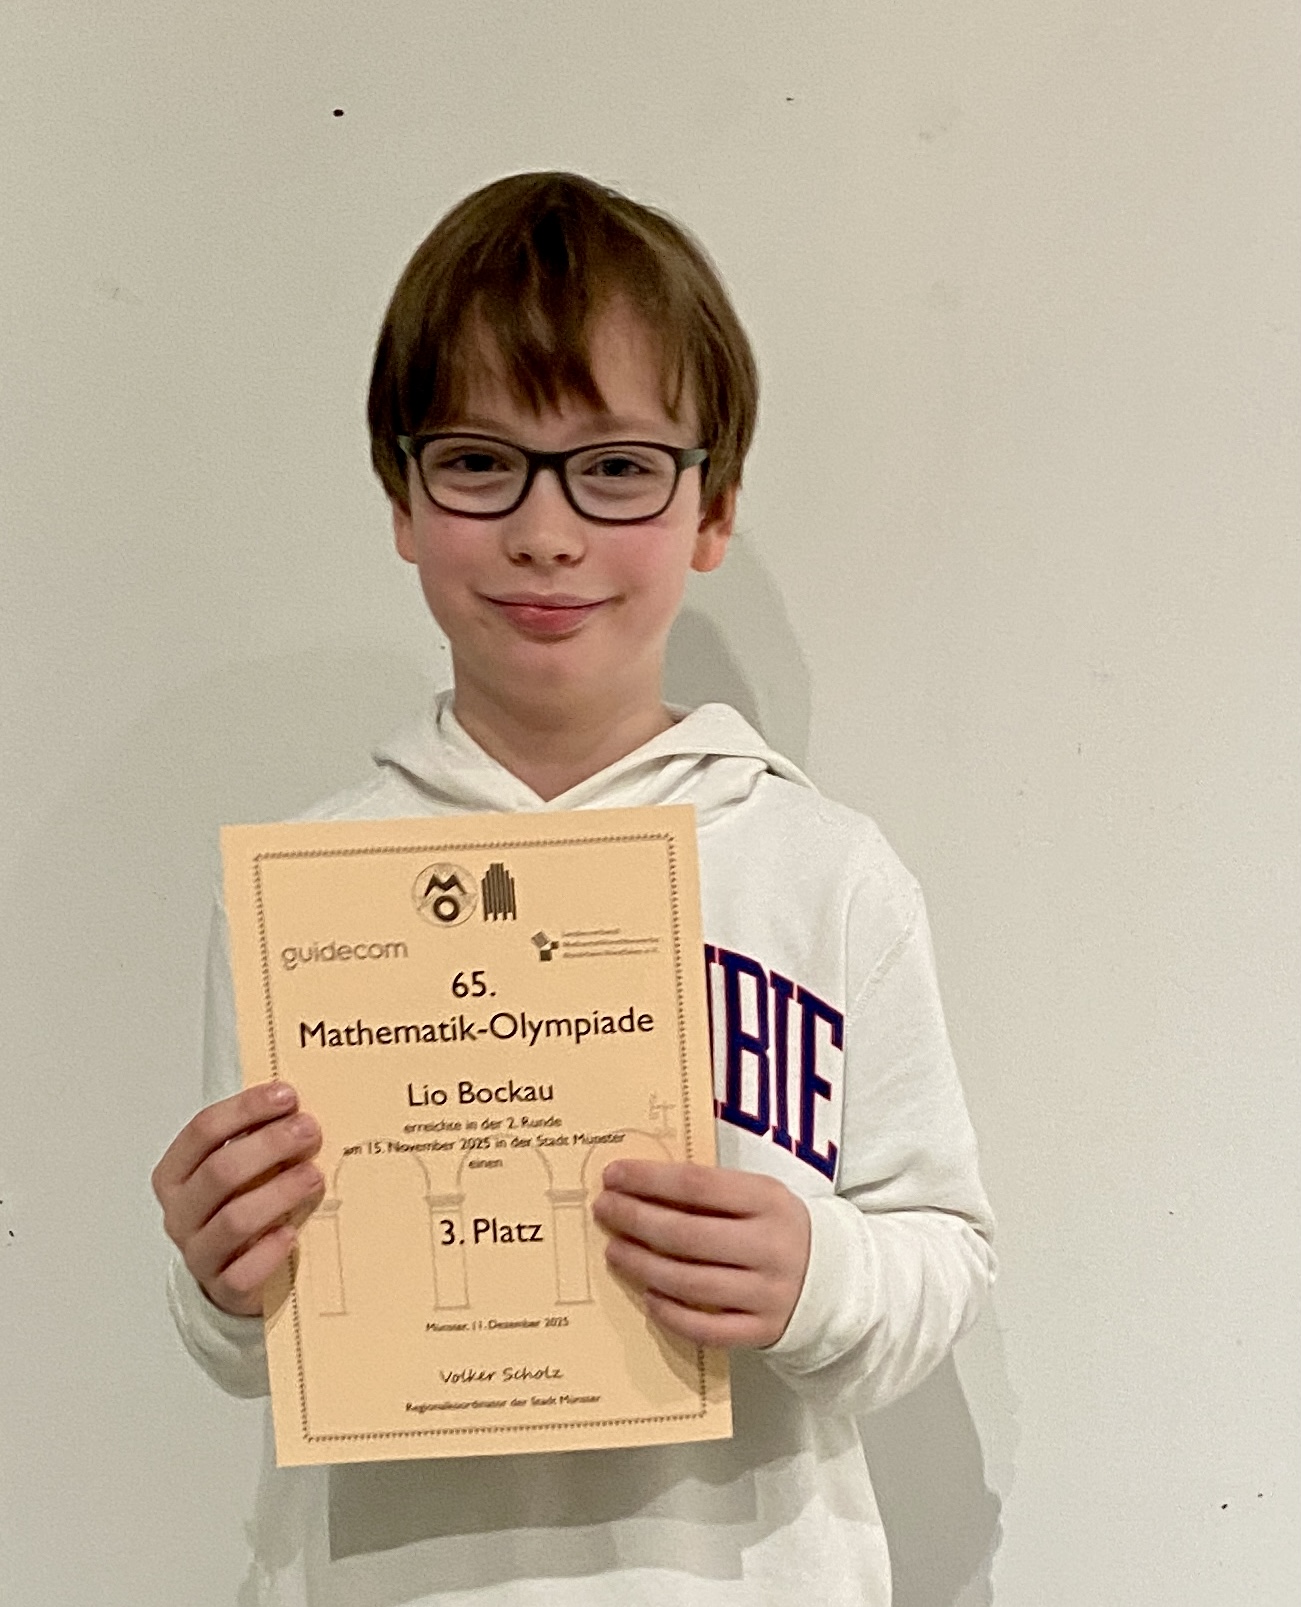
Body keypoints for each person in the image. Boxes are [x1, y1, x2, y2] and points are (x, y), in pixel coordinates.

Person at [152, 170, 995, 1607]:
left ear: (711, 508)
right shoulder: (308, 892)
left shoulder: (822, 871)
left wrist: (819, 1274)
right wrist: (220, 1280)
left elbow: (945, 1254)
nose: (546, 533)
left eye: (615, 469)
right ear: (402, 498)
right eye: (481, 463)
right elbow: (250, 1338)